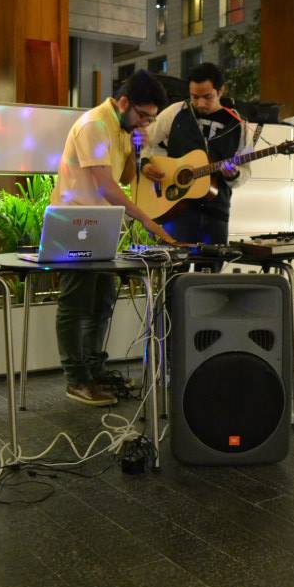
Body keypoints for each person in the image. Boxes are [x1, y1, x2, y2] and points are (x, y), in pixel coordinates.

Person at [52, 69, 177, 406]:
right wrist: (147, 220)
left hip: (100, 222)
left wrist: (138, 149)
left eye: (151, 119)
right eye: (144, 116)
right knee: (76, 303)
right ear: (124, 103)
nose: (146, 123)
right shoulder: (95, 125)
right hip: (74, 221)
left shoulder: (123, 127)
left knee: (102, 299)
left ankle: (95, 371)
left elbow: (125, 177)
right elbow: (107, 186)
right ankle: (76, 379)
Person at [141, 62, 252, 260]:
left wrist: (234, 174)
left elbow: (245, 172)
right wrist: (145, 163)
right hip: (175, 207)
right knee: (174, 269)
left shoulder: (238, 125)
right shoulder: (176, 112)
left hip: (216, 211)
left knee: (211, 271)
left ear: (221, 91)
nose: (200, 103)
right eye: (194, 97)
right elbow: (143, 140)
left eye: (207, 97)